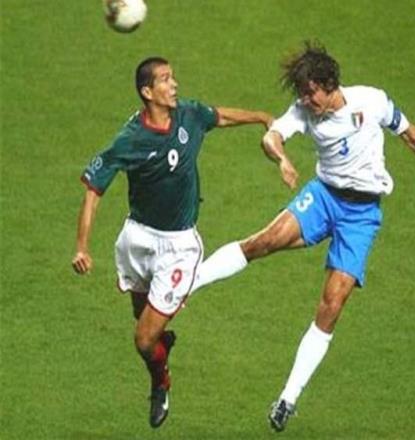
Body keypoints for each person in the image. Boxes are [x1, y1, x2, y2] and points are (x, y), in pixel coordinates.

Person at [189, 42, 415, 432]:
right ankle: (187, 285)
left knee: (331, 305)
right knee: (263, 241)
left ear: (329, 83)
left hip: (362, 216)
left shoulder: (371, 101)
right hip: (324, 197)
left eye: (311, 93)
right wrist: (282, 158)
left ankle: (287, 399)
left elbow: (406, 133)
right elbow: (272, 137)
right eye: (302, 94)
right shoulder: (304, 111)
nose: (306, 101)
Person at [71, 56, 273, 429]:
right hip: (137, 239)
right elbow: (93, 189)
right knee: (143, 321)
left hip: (178, 246)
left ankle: (160, 383)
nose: (174, 84)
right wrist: (82, 246)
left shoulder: (189, 115)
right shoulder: (131, 139)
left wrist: (260, 116)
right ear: (148, 92)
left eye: (173, 77)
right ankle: (163, 345)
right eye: (165, 79)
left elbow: (220, 117)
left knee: (144, 340)